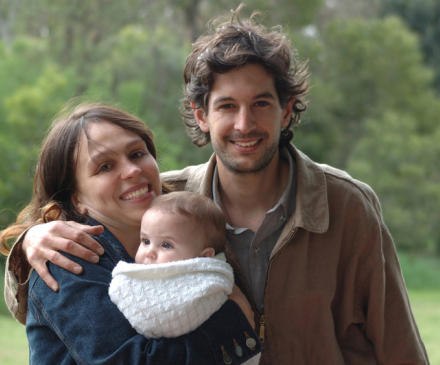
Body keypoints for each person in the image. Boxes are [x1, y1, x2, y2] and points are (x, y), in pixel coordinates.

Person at [3, 6, 429, 364]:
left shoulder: (346, 205)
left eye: (261, 103)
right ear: (201, 115)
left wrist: (30, 239)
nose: (245, 124)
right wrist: (29, 243)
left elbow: (398, 343)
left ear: (287, 110)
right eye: (227, 106)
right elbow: (59, 265)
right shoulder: (169, 203)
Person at [0, 102, 260, 364]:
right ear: (76, 199)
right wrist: (234, 324)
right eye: (105, 167)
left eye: (136, 154)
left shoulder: (191, 224)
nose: (133, 170)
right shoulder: (68, 264)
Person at [109, 191, 261, 364]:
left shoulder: (208, 284)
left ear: (203, 258)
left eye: (166, 245)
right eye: (145, 241)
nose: (149, 252)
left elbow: (159, 320)